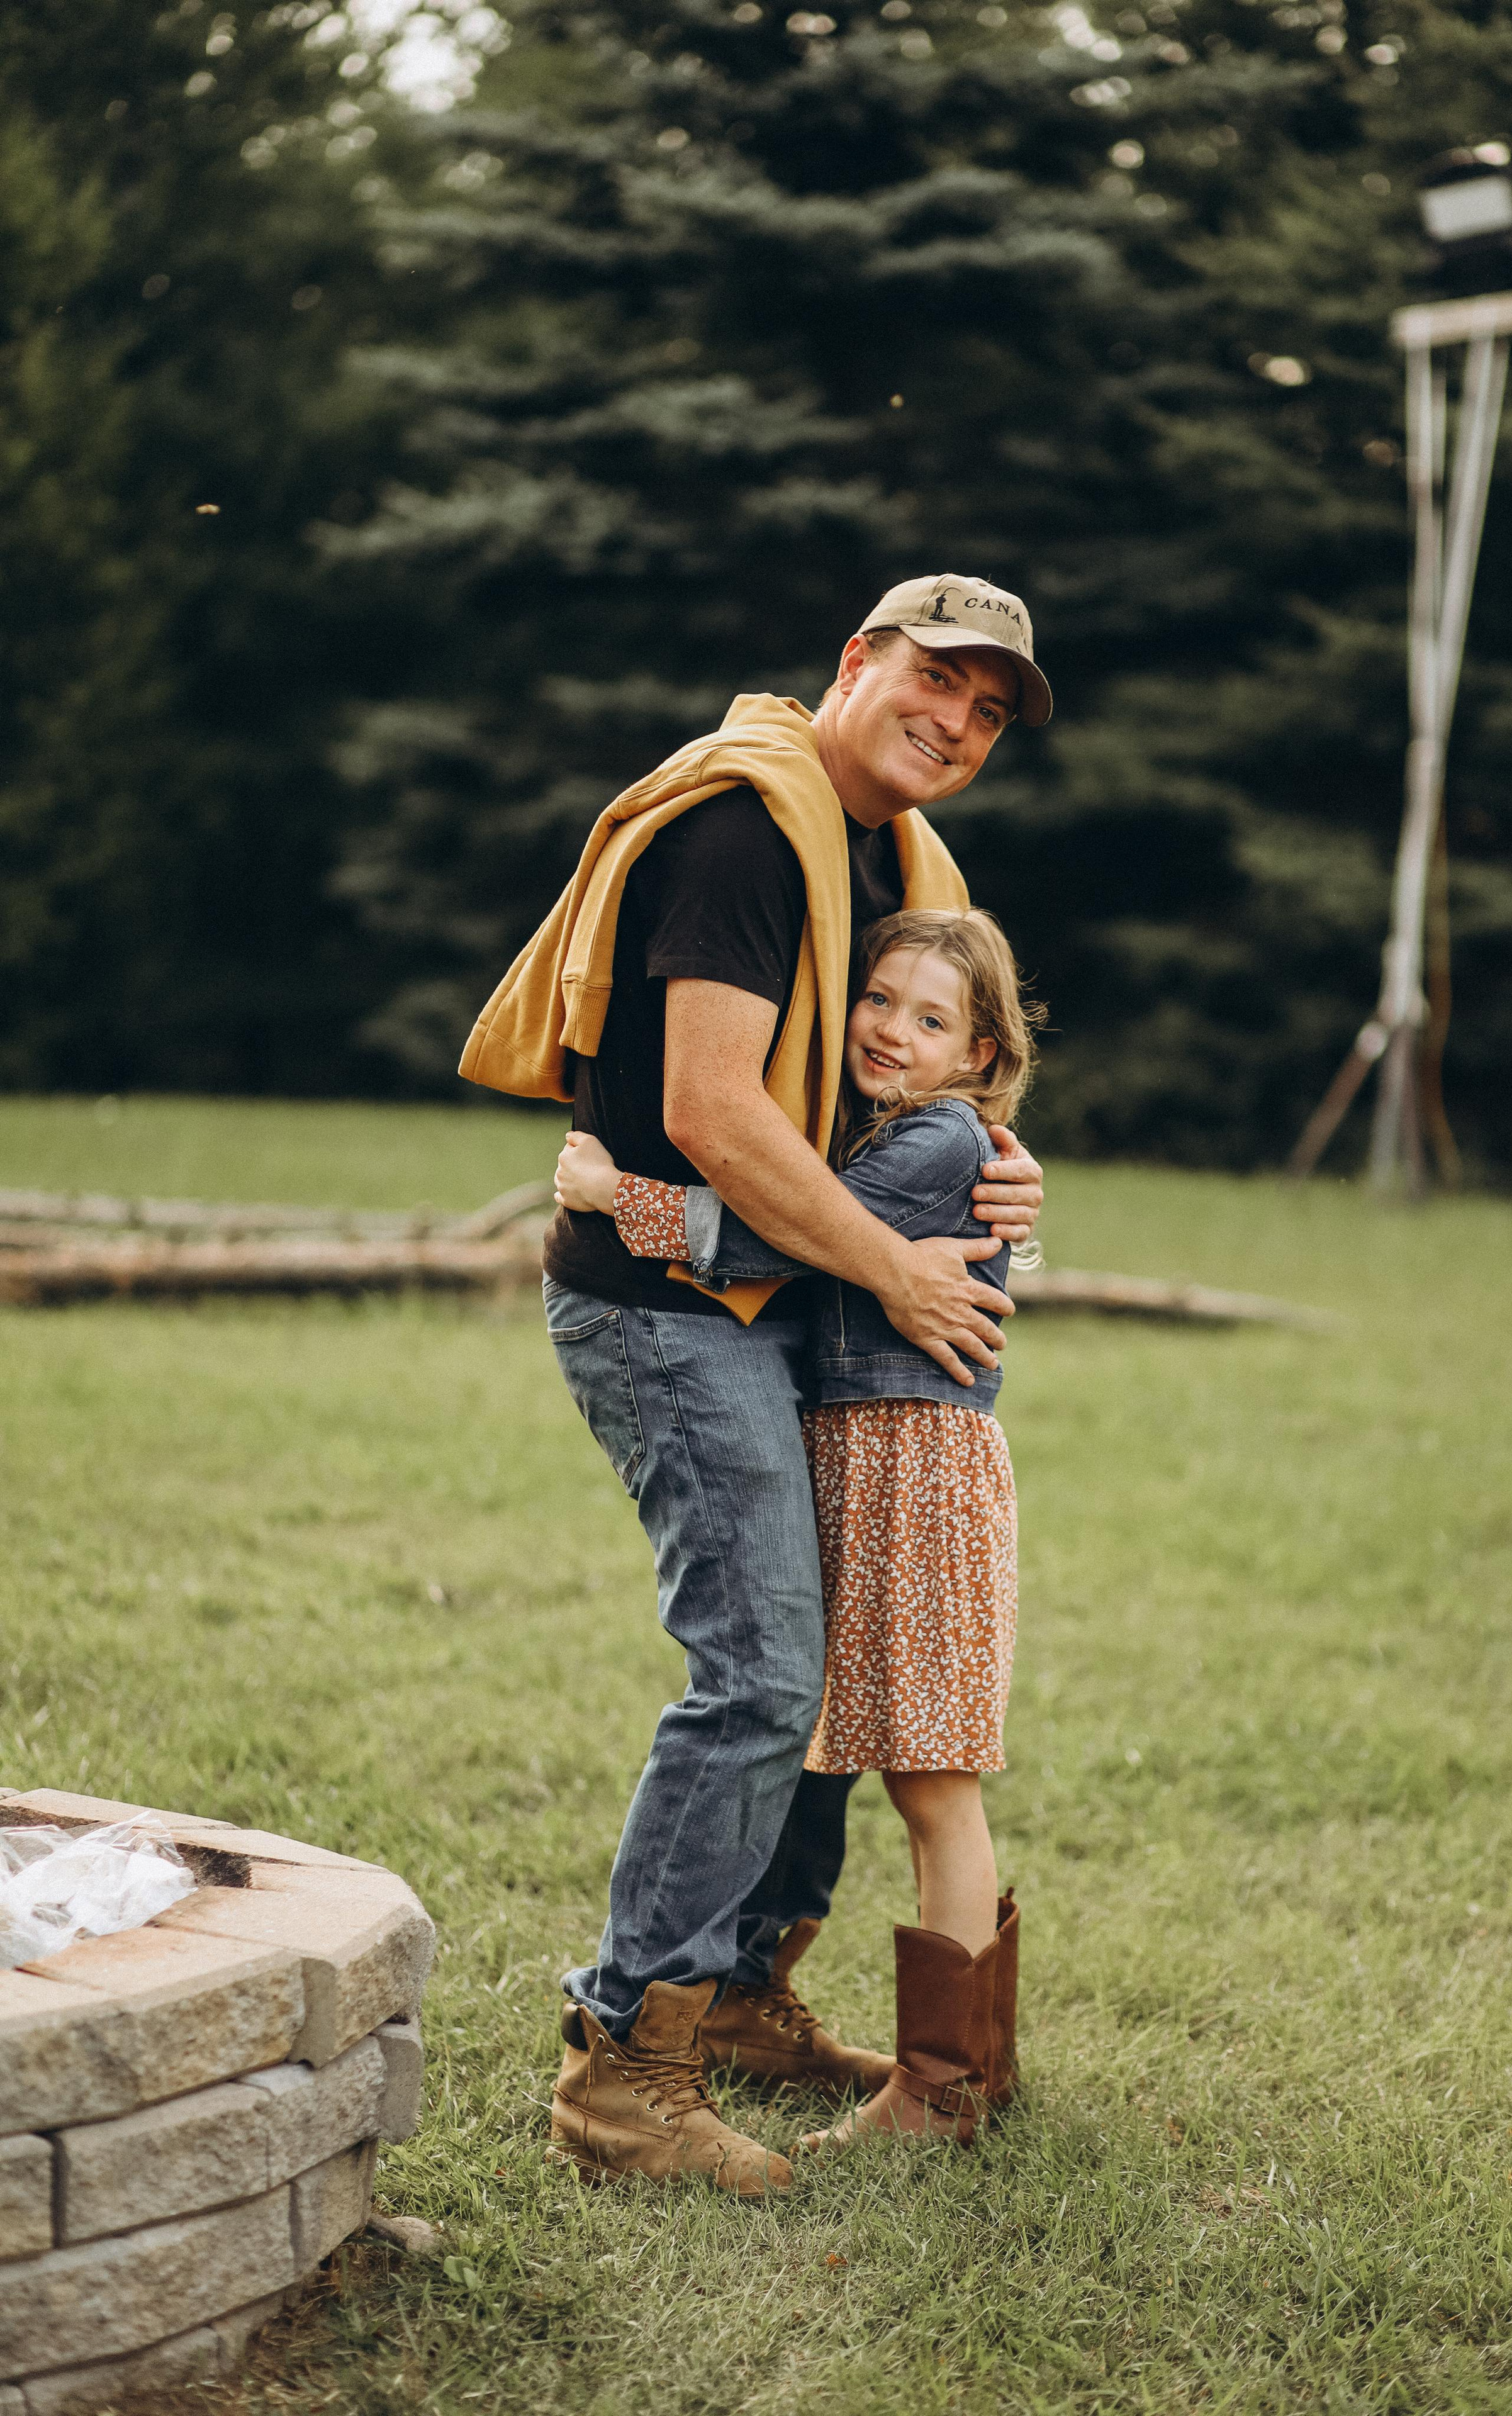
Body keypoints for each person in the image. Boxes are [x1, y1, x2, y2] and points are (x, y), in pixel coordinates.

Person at [459, 574, 1052, 2194]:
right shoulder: (741, 835)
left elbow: (910, 1101)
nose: (956, 723)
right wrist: (896, 1263)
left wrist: (994, 1171)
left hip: (782, 1301)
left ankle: (734, 1998)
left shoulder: (891, 862)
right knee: (762, 1676)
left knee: (813, 1684)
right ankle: (621, 2065)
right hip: (665, 1308)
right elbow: (716, 1112)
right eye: (934, 680)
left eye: (988, 711)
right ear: (857, 663)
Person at [556, 906, 1042, 2150]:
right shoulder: (907, 1131)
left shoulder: (936, 1139)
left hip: (910, 1471)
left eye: (929, 1019)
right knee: (878, 1750)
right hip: (869, 1458)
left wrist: (620, 1199)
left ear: (980, 1053)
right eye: (877, 1000)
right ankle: (931, 2063)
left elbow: (781, 1231)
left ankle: (943, 2089)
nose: (889, 1030)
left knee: (931, 1776)